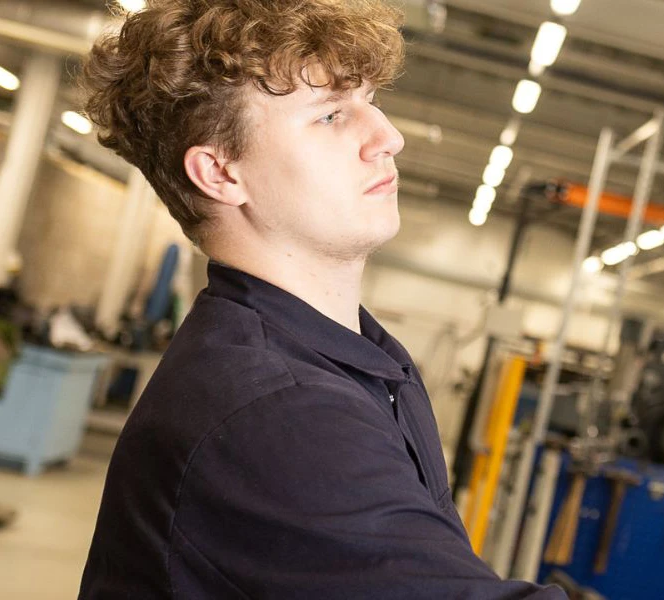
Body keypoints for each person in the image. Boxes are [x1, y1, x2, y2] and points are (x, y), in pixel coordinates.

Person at [77, 1, 565, 598]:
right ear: (221, 173)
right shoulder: (279, 409)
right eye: (332, 114)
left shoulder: (354, 357)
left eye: (371, 101)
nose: (389, 137)